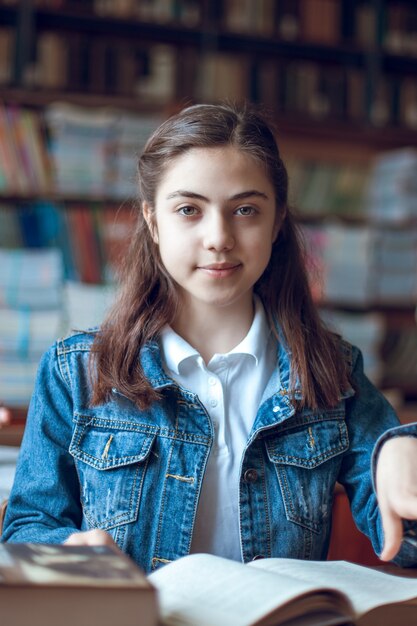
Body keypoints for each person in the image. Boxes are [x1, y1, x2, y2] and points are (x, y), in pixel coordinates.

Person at [2, 103, 417, 573]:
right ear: (153, 221)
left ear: (278, 221)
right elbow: (27, 529)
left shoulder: (331, 370)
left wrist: (403, 454)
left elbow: (404, 544)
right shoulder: (74, 371)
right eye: (188, 210)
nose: (219, 237)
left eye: (245, 210)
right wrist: (64, 550)